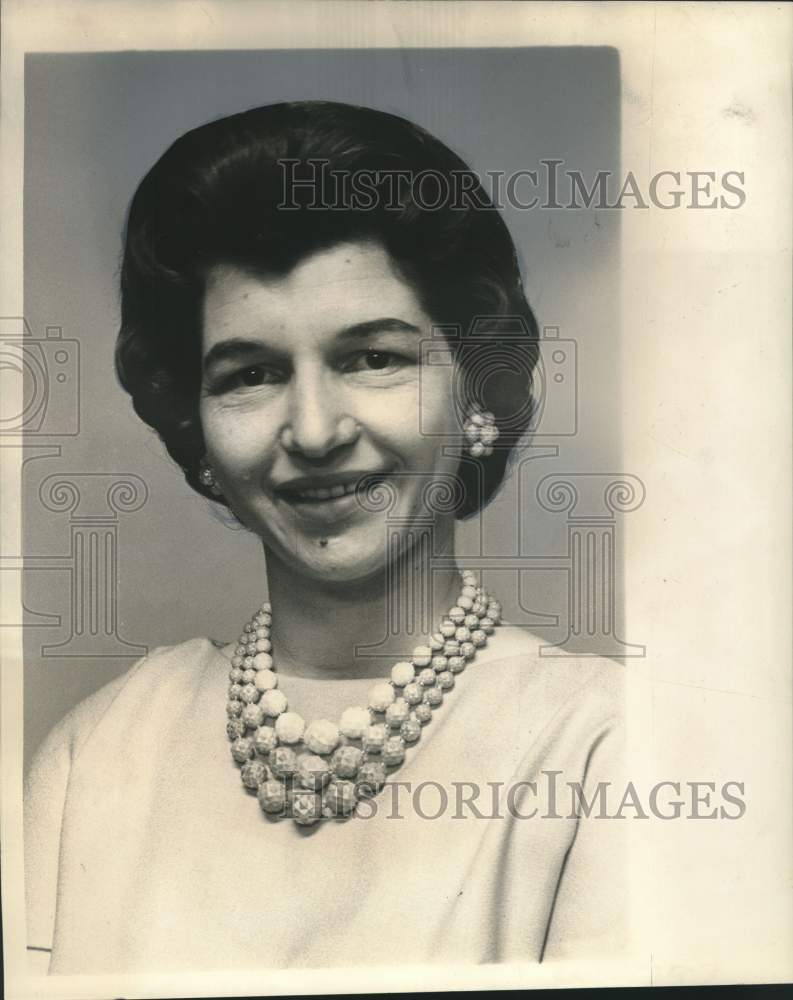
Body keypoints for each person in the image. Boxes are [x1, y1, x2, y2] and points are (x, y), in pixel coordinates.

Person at [24, 101, 630, 975]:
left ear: (475, 388)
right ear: (194, 426)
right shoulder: (97, 753)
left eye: (373, 357)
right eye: (252, 374)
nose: (312, 431)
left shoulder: (602, 747)